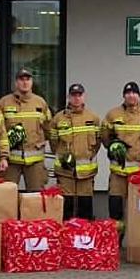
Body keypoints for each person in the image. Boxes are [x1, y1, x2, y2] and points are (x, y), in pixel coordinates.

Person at [101, 80, 140, 228]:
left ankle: (137, 242)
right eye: (128, 93)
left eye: (134, 93)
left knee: (139, 208)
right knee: (115, 207)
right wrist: (112, 146)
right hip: (118, 172)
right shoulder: (113, 114)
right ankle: (116, 241)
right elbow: (105, 136)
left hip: (139, 174)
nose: (131, 96)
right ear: (124, 96)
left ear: (139, 96)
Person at [50, 82, 103, 220]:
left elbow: (98, 142)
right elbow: (54, 143)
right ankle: (66, 237)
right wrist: (63, 157)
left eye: (79, 95)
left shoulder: (93, 118)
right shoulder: (58, 118)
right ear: (68, 97)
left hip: (86, 172)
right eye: (73, 95)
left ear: (84, 97)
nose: (76, 98)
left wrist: (88, 154)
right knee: (66, 209)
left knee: (85, 209)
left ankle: (84, 239)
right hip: (65, 172)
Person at [1, 69, 53, 191]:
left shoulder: (40, 103)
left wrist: (42, 143)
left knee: (35, 197)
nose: (25, 83)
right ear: (16, 83)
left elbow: (48, 128)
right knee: (7, 195)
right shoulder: (4, 103)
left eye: (28, 79)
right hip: (11, 160)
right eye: (21, 79)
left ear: (32, 82)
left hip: (35, 160)